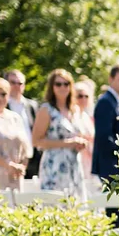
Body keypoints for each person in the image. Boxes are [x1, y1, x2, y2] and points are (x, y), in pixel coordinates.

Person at [31, 69, 88, 200]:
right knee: (54, 206)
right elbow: (36, 141)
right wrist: (67, 143)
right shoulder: (46, 110)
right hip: (54, 165)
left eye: (66, 83)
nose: (63, 87)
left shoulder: (75, 109)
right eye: (58, 84)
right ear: (52, 87)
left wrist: (80, 143)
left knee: (76, 206)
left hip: (74, 164)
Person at [92, 65, 119, 225]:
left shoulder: (118, 101)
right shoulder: (105, 102)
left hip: (118, 167)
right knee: (116, 215)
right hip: (111, 167)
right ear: (111, 79)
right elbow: (104, 138)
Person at [5, 69, 40, 179]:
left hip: (32, 160)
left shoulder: (32, 106)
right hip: (9, 161)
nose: (17, 86)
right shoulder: (1, 105)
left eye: (20, 83)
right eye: (13, 82)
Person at [74, 80, 96, 185]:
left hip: (90, 159)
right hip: (78, 157)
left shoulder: (86, 116)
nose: (83, 99)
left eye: (86, 96)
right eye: (80, 96)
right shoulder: (73, 115)